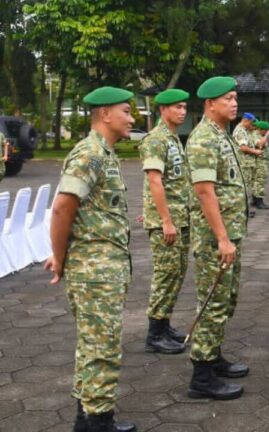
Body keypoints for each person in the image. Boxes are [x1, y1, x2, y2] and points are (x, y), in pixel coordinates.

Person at [44, 86, 136, 432]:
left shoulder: (105, 153)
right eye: (126, 111)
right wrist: (58, 255)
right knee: (102, 347)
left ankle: (86, 419)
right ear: (105, 114)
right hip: (95, 271)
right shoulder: (90, 154)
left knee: (92, 343)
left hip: (102, 266)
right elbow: (63, 207)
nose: (131, 117)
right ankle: (99, 422)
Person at [186, 76, 249, 400]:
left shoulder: (221, 135)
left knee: (225, 301)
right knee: (211, 303)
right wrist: (223, 239)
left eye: (235, 97)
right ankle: (201, 377)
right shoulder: (203, 139)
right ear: (211, 104)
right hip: (215, 240)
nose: (234, 103)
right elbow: (204, 191)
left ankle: (214, 357)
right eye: (228, 98)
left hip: (229, 235)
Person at [139, 88, 192, 356]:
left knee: (177, 273)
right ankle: (154, 333)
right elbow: (154, 180)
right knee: (165, 274)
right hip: (167, 222)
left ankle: (164, 323)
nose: (182, 112)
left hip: (180, 217)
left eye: (184, 107)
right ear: (163, 109)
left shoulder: (172, 138)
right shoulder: (156, 139)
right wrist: (164, 220)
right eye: (177, 107)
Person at [232, 112, 260, 218]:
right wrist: (255, 152)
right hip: (243, 164)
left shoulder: (245, 131)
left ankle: (245, 210)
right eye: (251, 122)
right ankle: (243, 211)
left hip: (246, 163)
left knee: (245, 187)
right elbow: (243, 148)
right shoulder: (240, 131)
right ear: (246, 120)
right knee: (243, 187)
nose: (252, 125)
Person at [252, 120, 269, 209]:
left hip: (263, 161)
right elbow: (260, 144)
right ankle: (259, 202)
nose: (266, 132)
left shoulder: (259, 135)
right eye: (265, 130)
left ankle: (255, 200)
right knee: (260, 181)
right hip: (261, 161)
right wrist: (267, 135)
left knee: (257, 181)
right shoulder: (256, 135)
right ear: (262, 130)